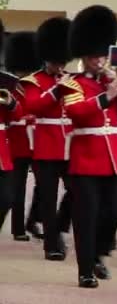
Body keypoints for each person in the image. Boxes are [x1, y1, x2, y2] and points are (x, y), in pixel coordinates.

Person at [58, 5, 117, 288]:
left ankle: (98, 252)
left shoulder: (111, 81)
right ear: (84, 57)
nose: (100, 60)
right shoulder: (71, 84)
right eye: (95, 56)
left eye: (102, 55)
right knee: (86, 217)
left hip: (113, 159)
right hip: (85, 159)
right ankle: (85, 270)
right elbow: (77, 114)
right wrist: (107, 96)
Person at [21, 18, 74, 260]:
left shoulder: (72, 79)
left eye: (62, 61)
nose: (58, 65)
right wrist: (56, 90)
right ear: (46, 58)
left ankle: (60, 228)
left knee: (76, 192)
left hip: (71, 146)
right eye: (55, 61)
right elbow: (34, 106)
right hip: (45, 145)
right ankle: (51, 244)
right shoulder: (33, 81)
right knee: (48, 198)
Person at [2, 31, 44, 242]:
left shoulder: (35, 86)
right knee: (16, 188)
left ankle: (34, 219)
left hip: (36, 141)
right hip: (16, 141)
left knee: (44, 185)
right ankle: (18, 228)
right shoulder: (9, 86)